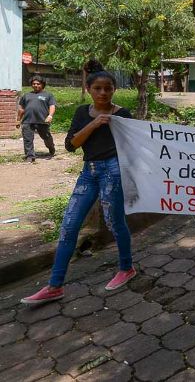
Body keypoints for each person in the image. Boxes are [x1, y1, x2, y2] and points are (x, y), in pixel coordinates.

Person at [21, 61, 135, 305]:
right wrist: (94, 124)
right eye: (98, 88)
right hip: (88, 173)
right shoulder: (83, 113)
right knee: (69, 226)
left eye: (108, 88)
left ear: (114, 90)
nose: (103, 93)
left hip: (113, 172)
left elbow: (137, 147)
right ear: (90, 89)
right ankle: (55, 285)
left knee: (115, 222)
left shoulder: (123, 115)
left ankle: (126, 268)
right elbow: (71, 145)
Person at [17, 75, 57, 163]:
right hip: (27, 121)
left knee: (46, 137)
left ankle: (51, 148)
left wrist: (50, 116)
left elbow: (52, 106)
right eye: (34, 84)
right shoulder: (26, 95)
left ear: (42, 84)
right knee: (28, 139)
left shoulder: (48, 95)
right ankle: (30, 156)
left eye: (38, 84)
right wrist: (18, 120)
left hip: (42, 120)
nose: (35, 85)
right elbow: (21, 109)